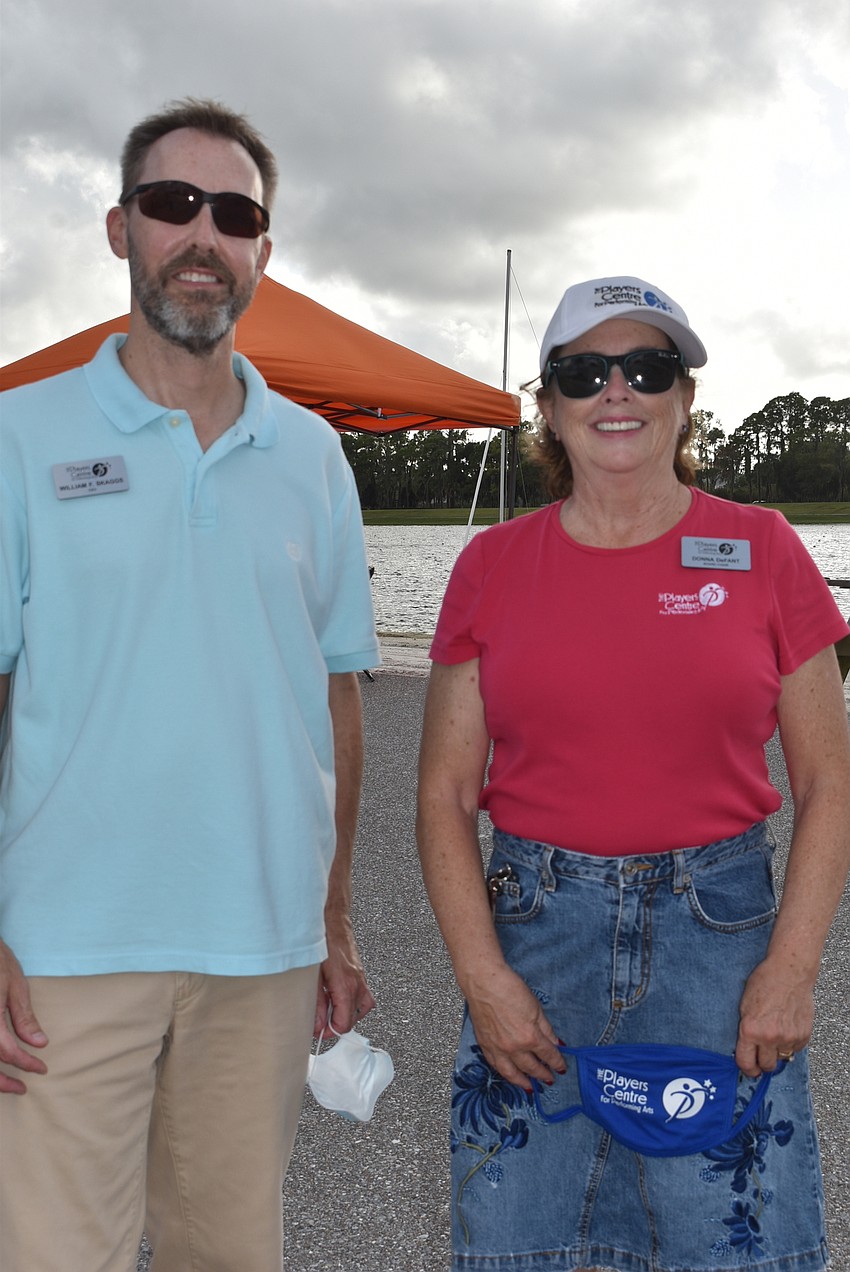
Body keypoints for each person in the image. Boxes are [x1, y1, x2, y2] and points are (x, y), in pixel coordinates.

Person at [0, 98, 379, 1271]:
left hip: (260, 946)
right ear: (121, 229)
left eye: (236, 213)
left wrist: (332, 920)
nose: (203, 234)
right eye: (173, 205)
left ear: (264, 248)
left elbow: (337, 698)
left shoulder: (313, 454)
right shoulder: (19, 436)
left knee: (232, 1253)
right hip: (61, 951)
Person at [417, 275, 850, 1272]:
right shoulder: (488, 566)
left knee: (732, 1245)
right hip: (535, 931)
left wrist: (790, 971)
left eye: (647, 368)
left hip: (719, 941)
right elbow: (442, 794)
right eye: (584, 372)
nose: (617, 392)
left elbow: (828, 784)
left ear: (685, 399)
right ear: (550, 407)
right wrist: (483, 979)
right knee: (521, 1245)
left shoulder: (764, 550)